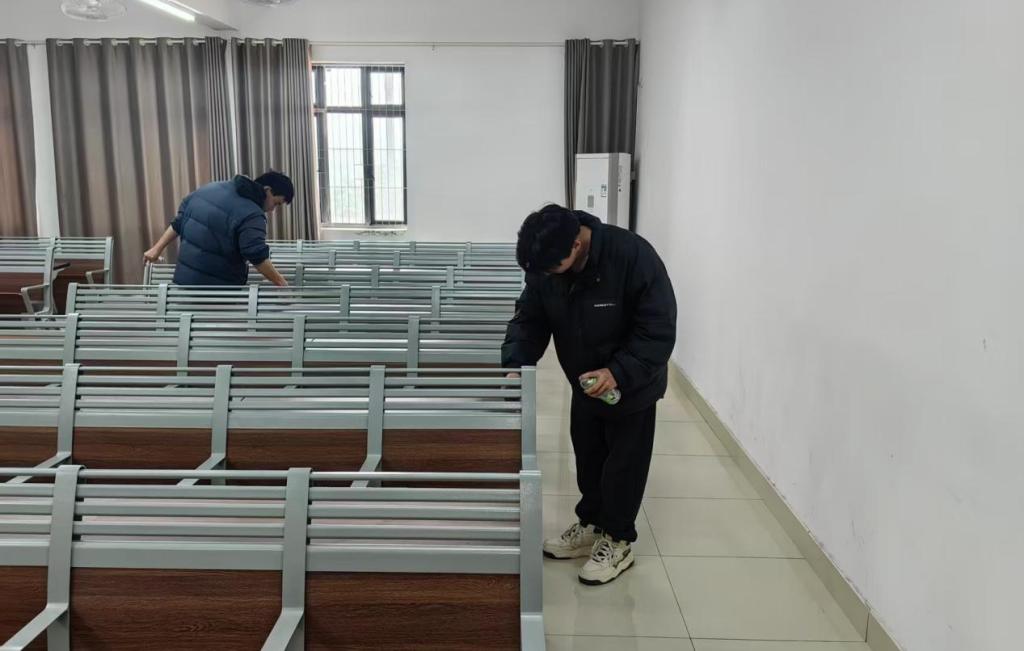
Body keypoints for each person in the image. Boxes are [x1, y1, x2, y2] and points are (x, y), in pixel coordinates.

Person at [502, 204, 677, 586]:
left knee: (624, 465)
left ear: (577, 245)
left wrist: (617, 373)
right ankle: (592, 523)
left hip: (632, 385)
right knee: (588, 456)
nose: (547, 276)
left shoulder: (632, 256)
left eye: (553, 269)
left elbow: (657, 329)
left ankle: (617, 540)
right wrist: (517, 363)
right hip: (583, 382)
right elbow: (530, 318)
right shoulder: (547, 268)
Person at [143, 171, 293, 287]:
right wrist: (281, 282)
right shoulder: (253, 214)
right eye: (276, 203)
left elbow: (180, 221)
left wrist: (156, 249)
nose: (272, 210)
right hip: (218, 292)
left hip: (183, 284)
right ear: (267, 190)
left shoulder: (209, 189)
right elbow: (255, 254)